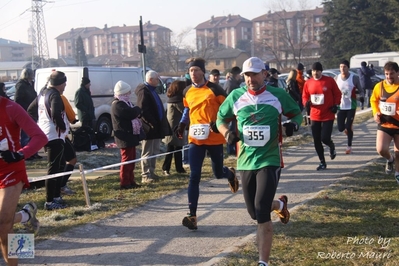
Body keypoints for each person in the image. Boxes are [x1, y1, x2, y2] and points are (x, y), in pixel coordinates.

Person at [216, 57, 302, 266]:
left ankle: (263, 262)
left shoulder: (277, 95)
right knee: (254, 212)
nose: (251, 78)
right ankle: (280, 204)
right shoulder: (235, 96)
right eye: (247, 75)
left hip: (270, 159)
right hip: (245, 162)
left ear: (264, 74)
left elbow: (297, 114)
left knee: (262, 213)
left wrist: (293, 126)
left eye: (255, 74)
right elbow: (220, 119)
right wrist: (227, 133)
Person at [175, 57, 239, 230]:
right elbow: (188, 109)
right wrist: (182, 124)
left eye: (196, 70)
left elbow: (229, 110)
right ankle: (192, 215)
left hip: (214, 137)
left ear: (203, 72)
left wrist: (218, 122)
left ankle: (230, 174)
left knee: (218, 173)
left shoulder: (215, 89)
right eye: (190, 71)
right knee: (194, 175)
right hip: (195, 138)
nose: (193, 73)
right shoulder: (187, 91)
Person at [0, 94, 47, 266]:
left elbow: (40, 137)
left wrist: (20, 154)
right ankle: (26, 215)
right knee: (4, 220)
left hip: (11, 170)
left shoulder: (11, 108)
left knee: (3, 224)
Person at [28, 71, 69, 210]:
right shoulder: (55, 95)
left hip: (46, 134)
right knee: (53, 169)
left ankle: (56, 196)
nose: (65, 86)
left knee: (60, 165)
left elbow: (30, 109)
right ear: (60, 83)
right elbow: (55, 113)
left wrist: (39, 124)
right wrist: (62, 127)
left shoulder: (42, 93)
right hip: (54, 136)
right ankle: (50, 201)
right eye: (64, 83)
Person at [302, 62, 342, 170]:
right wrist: (306, 103)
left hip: (328, 114)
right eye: (314, 71)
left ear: (321, 71)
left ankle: (331, 145)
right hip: (315, 114)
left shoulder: (329, 81)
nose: (316, 73)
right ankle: (322, 162)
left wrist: (336, 105)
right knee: (316, 139)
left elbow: (338, 93)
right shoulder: (308, 83)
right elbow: (305, 95)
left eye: (318, 71)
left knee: (324, 138)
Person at [135, 70, 172, 183]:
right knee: (147, 152)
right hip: (149, 127)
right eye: (157, 79)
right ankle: (145, 175)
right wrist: (151, 123)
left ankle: (152, 171)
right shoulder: (144, 91)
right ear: (150, 79)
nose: (158, 81)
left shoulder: (152, 90)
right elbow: (143, 110)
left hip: (156, 126)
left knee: (154, 150)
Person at [370, 61, 399, 184]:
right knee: (381, 149)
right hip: (384, 123)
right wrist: (376, 112)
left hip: (398, 124)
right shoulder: (379, 86)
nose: (389, 77)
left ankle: (397, 174)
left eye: (391, 74)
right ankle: (389, 159)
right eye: (386, 74)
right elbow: (373, 100)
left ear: (397, 73)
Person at [111, 80, 143, 189]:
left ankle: (131, 180)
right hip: (125, 137)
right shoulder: (118, 105)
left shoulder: (126, 103)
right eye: (128, 92)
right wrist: (137, 109)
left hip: (130, 135)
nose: (129, 94)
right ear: (123, 93)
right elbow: (130, 114)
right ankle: (125, 182)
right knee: (126, 160)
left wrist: (136, 110)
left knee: (132, 159)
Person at [334, 60, 363, 155]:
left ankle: (349, 146)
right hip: (340, 106)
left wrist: (360, 97)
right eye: (341, 66)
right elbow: (333, 91)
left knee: (348, 127)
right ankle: (348, 130)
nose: (342, 69)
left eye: (344, 67)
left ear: (348, 68)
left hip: (351, 106)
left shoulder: (354, 78)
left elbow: (361, 90)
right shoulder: (336, 78)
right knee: (340, 128)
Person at [15, 68, 42, 160]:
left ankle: (33, 152)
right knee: (26, 134)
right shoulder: (21, 85)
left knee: (33, 134)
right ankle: (26, 153)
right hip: (26, 112)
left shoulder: (30, 84)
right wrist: (28, 107)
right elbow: (18, 100)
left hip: (33, 112)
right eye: (31, 74)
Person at [162, 80, 187, 175]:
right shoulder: (176, 100)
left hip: (176, 126)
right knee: (171, 148)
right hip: (174, 127)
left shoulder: (173, 98)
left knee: (177, 148)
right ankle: (166, 168)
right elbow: (184, 111)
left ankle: (179, 168)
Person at [60, 93, 79, 195]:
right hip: (60, 135)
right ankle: (61, 186)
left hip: (48, 134)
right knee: (71, 159)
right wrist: (72, 119)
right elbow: (70, 113)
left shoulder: (41, 97)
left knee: (58, 163)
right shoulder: (60, 97)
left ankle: (58, 187)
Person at [223, 66, 242, 156]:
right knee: (231, 130)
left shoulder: (233, 82)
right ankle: (230, 149)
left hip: (234, 110)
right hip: (231, 110)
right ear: (236, 75)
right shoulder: (231, 84)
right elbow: (229, 99)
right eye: (240, 75)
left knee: (234, 129)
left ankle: (232, 148)